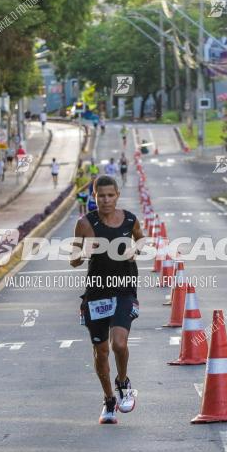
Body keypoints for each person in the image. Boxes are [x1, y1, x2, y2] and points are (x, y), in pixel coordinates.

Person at [70, 175, 143, 424]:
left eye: (110, 195)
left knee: (119, 344)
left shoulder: (130, 219)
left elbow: (141, 239)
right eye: (101, 196)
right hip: (97, 292)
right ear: (94, 197)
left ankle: (123, 382)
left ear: (117, 195)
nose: (106, 200)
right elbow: (73, 259)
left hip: (124, 289)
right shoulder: (84, 224)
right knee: (101, 351)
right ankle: (109, 400)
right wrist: (83, 252)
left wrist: (135, 249)